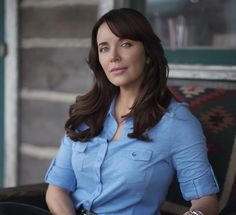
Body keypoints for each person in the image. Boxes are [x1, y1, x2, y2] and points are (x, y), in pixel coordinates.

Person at [45, 8, 219, 215]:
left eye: (126, 44)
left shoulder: (177, 123)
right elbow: (56, 190)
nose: (113, 57)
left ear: (147, 54)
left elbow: (206, 201)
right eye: (104, 48)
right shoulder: (86, 113)